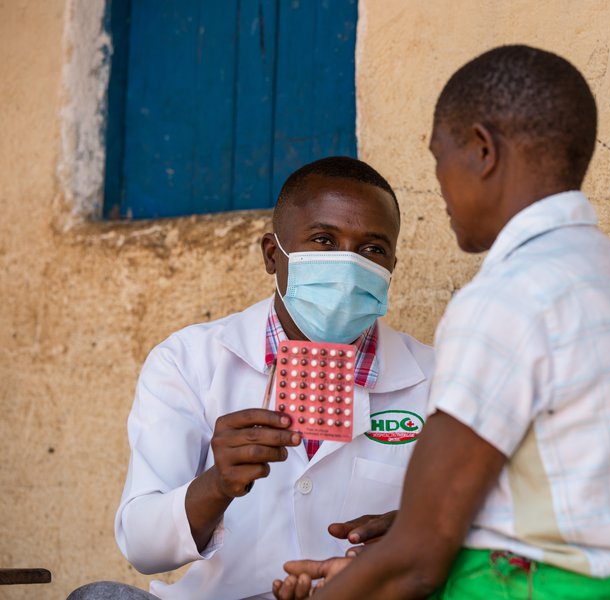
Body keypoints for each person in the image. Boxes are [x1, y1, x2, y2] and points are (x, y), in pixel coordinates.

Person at [272, 45, 610, 600]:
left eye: (438, 157)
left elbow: (418, 562)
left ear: (481, 150)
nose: (440, 186)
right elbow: (566, 502)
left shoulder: (508, 296)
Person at [69, 157, 434, 600]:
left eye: (372, 249)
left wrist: (417, 539)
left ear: (392, 265)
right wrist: (216, 485)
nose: (348, 265)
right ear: (271, 254)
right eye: (323, 240)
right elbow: (142, 546)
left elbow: (489, 530)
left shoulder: (436, 380)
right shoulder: (188, 361)